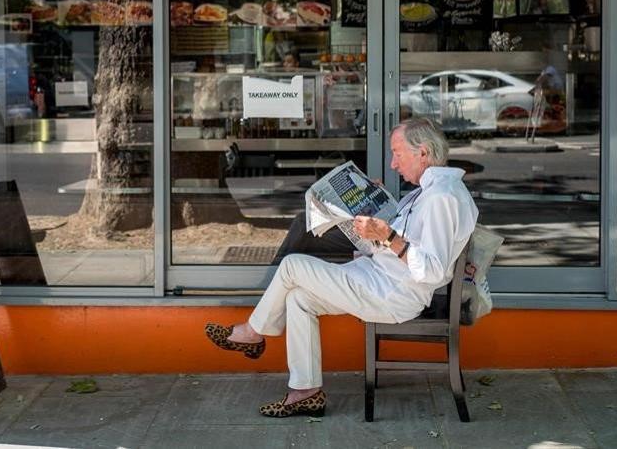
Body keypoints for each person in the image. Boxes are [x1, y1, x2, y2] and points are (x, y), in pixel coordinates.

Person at [204, 117, 478, 418]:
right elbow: (400, 241)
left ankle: (252, 333)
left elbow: (433, 270)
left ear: (423, 153)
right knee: (298, 298)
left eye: (397, 153)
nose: (393, 164)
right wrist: (373, 211)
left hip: (392, 293)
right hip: (376, 277)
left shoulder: (441, 198)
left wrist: (386, 235)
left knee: (293, 265)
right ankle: (304, 392)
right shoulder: (428, 191)